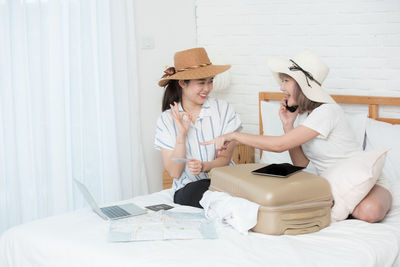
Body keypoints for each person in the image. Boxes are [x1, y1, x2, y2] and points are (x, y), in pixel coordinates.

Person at [201, 50, 392, 222]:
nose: (281, 88)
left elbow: (279, 146)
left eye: (286, 81)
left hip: (364, 180)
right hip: (334, 183)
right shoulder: (304, 116)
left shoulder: (327, 112)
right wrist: (288, 125)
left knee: (369, 211)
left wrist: (235, 136)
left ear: (301, 85)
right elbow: (301, 163)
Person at [154, 47, 242, 208]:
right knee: (200, 189)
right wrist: (181, 135)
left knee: (228, 189)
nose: (207, 89)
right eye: (201, 83)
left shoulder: (224, 110)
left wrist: (204, 166)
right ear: (182, 83)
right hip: (188, 191)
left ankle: (226, 207)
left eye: (210, 81)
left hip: (222, 183)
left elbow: (224, 160)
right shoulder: (166, 120)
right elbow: (175, 172)